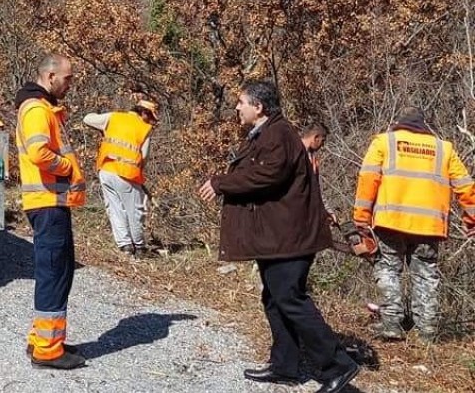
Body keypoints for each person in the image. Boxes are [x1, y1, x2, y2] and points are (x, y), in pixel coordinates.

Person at [198, 80, 358, 393]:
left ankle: (337, 366)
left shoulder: (278, 134)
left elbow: (268, 174)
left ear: (259, 107)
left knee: (290, 298)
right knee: (274, 298)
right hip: (279, 237)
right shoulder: (267, 133)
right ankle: (285, 366)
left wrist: (221, 183)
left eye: (241, 102)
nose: (237, 108)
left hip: (291, 237)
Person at [352, 106, 475, 342]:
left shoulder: (384, 142)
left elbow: (367, 180)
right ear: (425, 126)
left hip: (390, 222)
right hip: (429, 227)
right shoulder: (444, 149)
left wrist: (361, 219)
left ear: (399, 123)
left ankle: (391, 324)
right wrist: (472, 221)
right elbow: (466, 187)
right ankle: (426, 333)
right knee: (426, 276)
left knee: (388, 269)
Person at [14, 54, 86, 370]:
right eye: (67, 78)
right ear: (50, 75)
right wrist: (68, 167)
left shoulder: (44, 108)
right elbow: (39, 152)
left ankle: (44, 339)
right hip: (47, 201)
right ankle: (47, 349)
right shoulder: (36, 110)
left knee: (59, 270)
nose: (70, 84)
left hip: (51, 202)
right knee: (54, 271)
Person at [83, 99, 159, 256]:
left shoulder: (113, 117)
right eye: (150, 116)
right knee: (135, 212)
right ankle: (139, 247)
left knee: (115, 209)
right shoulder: (144, 128)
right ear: (143, 112)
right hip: (128, 174)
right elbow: (144, 157)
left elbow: (87, 118)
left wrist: (103, 129)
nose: (151, 121)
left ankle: (125, 245)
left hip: (106, 170)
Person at [301, 122, 336, 224]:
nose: (323, 145)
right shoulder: (293, 153)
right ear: (316, 137)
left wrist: (327, 210)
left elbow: (316, 188)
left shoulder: (313, 158)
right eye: (322, 140)